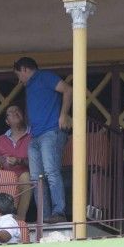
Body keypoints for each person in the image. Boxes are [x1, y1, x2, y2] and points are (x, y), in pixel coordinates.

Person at [14, 57, 72, 223]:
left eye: (19, 75)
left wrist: (63, 115)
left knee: (51, 172)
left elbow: (68, 90)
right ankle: (45, 217)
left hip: (50, 132)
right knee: (36, 179)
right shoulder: (29, 86)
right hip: (35, 136)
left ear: (25, 69)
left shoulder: (44, 76)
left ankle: (59, 212)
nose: (19, 80)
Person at [0, 104, 32, 220]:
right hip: (7, 179)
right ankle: (2, 218)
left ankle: (20, 219)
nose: (15, 112)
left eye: (18, 110)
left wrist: (19, 161)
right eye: (11, 112)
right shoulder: (1, 140)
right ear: (7, 121)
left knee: (25, 177)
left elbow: (38, 162)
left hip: (28, 176)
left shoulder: (34, 136)